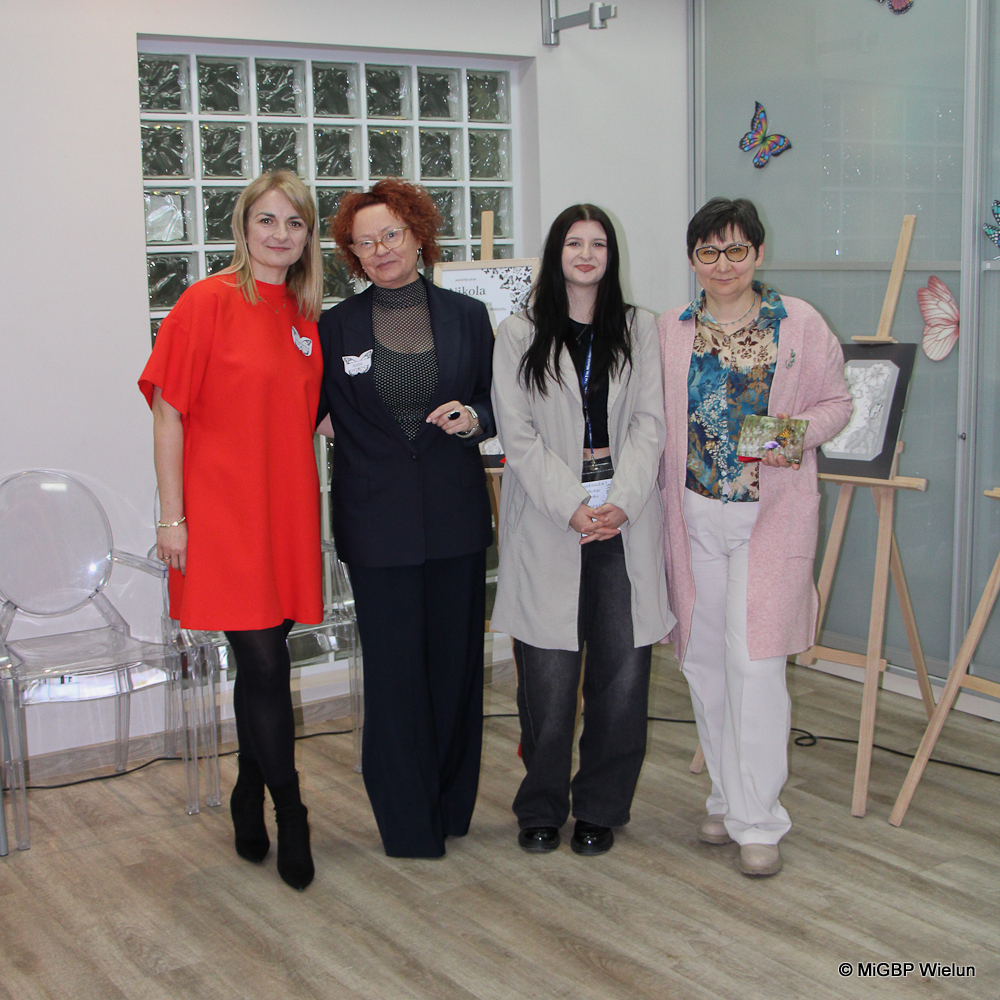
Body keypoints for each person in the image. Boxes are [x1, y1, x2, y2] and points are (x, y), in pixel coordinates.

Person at [139, 170, 325, 891]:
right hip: (223, 515)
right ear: (243, 227)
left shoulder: (305, 317)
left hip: (286, 512)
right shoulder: (206, 302)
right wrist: (171, 517)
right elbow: (168, 413)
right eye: (267, 220)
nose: (280, 234)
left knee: (264, 665)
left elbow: (312, 415)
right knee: (266, 664)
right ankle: (292, 811)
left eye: (294, 223)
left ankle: (249, 788)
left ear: (308, 237)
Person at [658, 197, 853, 876]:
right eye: (709, 252)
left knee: (758, 662)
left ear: (759, 253)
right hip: (692, 515)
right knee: (703, 660)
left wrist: (780, 438)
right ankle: (725, 795)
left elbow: (837, 403)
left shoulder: (798, 323)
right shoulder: (670, 330)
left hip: (767, 518)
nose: (724, 264)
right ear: (693, 259)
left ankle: (759, 820)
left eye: (737, 250)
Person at [316, 178, 495, 859]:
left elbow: (496, 401)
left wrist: (475, 417)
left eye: (391, 234)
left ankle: (450, 807)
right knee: (394, 677)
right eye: (364, 243)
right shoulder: (336, 326)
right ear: (353, 255)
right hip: (376, 522)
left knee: (455, 670)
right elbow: (313, 407)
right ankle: (407, 824)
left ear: (418, 235)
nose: (380, 250)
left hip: (454, 517)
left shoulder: (467, 316)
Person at [491, 205, 675, 856]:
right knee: (547, 678)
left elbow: (650, 423)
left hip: (623, 519)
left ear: (611, 256)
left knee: (621, 677)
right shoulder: (519, 333)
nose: (587, 254)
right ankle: (541, 805)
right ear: (556, 253)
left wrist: (621, 501)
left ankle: (600, 806)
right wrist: (571, 503)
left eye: (599, 243)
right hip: (552, 518)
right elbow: (517, 434)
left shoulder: (639, 328)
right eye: (574, 242)